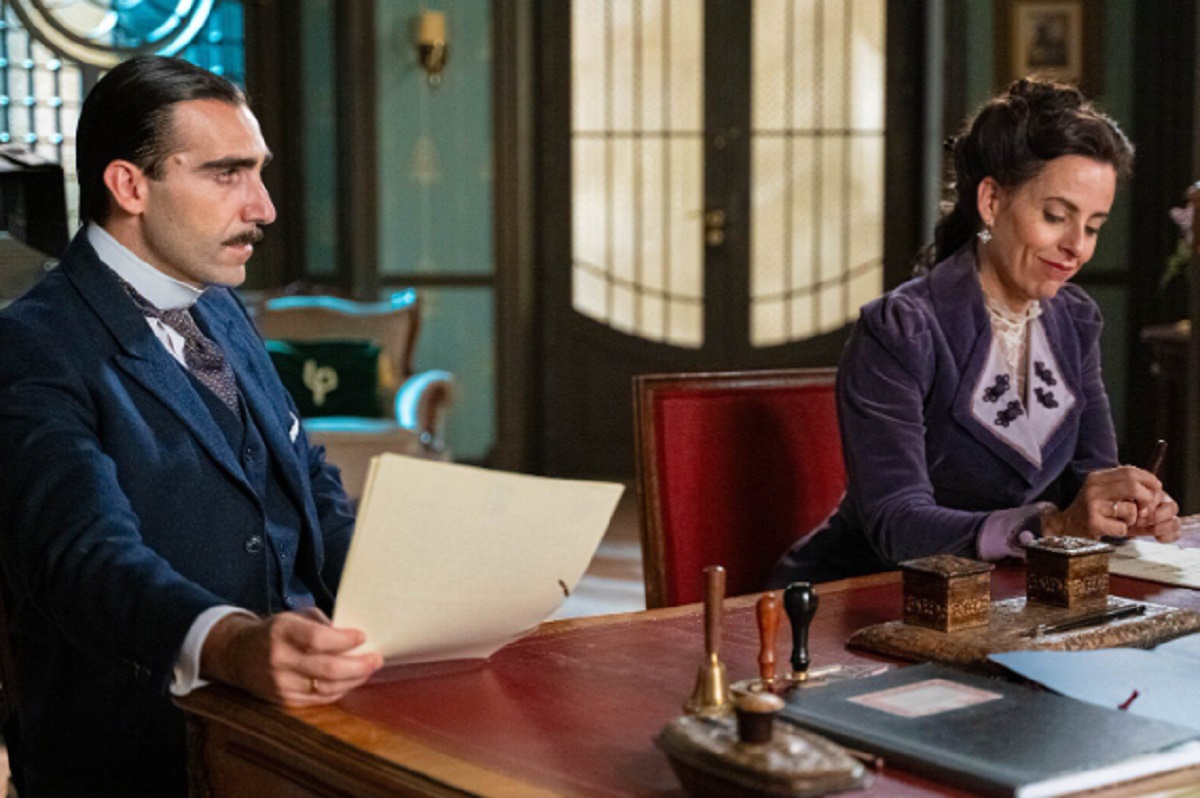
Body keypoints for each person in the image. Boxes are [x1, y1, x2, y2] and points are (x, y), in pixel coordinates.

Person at [0, 56, 383, 796]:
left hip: (298, 725)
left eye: (258, 172)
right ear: (130, 186)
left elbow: (306, 485)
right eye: (226, 174)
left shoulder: (220, 307)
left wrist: (407, 595)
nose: (264, 207)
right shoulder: (30, 345)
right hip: (139, 756)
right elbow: (86, 560)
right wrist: (232, 645)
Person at [769, 78, 1181, 586]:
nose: (1078, 246)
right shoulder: (901, 329)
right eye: (1056, 216)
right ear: (991, 201)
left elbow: (1088, 483)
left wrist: (1123, 509)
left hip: (1003, 596)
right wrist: (1049, 526)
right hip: (863, 595)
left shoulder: (1075, 320)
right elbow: (896, 525)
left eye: (1094, 226)